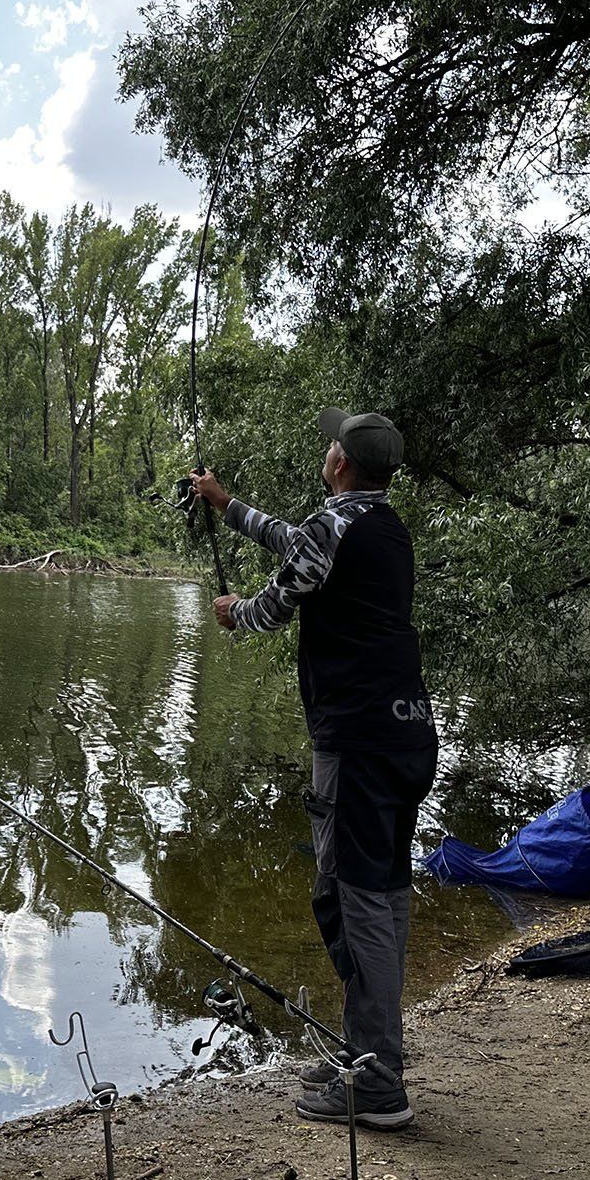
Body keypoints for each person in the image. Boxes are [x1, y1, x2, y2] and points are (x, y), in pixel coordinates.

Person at [188, 406, 436, 1130]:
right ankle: (369, 1053)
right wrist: (226, 503)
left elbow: (277, 600)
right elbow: (295, 542)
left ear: (339, 463)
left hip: (355, 742)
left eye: (331, 443)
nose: (327, 449)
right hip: (407, 736)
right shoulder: (383, 528)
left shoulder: (337, 529)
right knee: (384, 893)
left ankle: (377, 1079)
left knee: (349, 898)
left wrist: (237, 612)